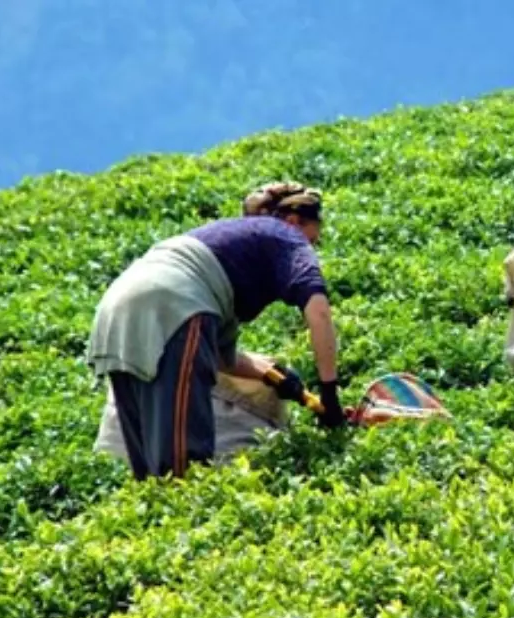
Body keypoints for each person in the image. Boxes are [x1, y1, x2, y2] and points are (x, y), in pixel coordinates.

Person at [87, 181, 346, 480]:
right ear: (293, 222)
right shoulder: (287, 236)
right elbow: (319, 313)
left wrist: (273, 375)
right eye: (313, 240)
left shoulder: (226, 249)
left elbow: (221, 358)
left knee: (147, 464)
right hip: (174, 304)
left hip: (117, 308)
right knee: (185, 466)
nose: (311, 249)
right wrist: (330, 395)